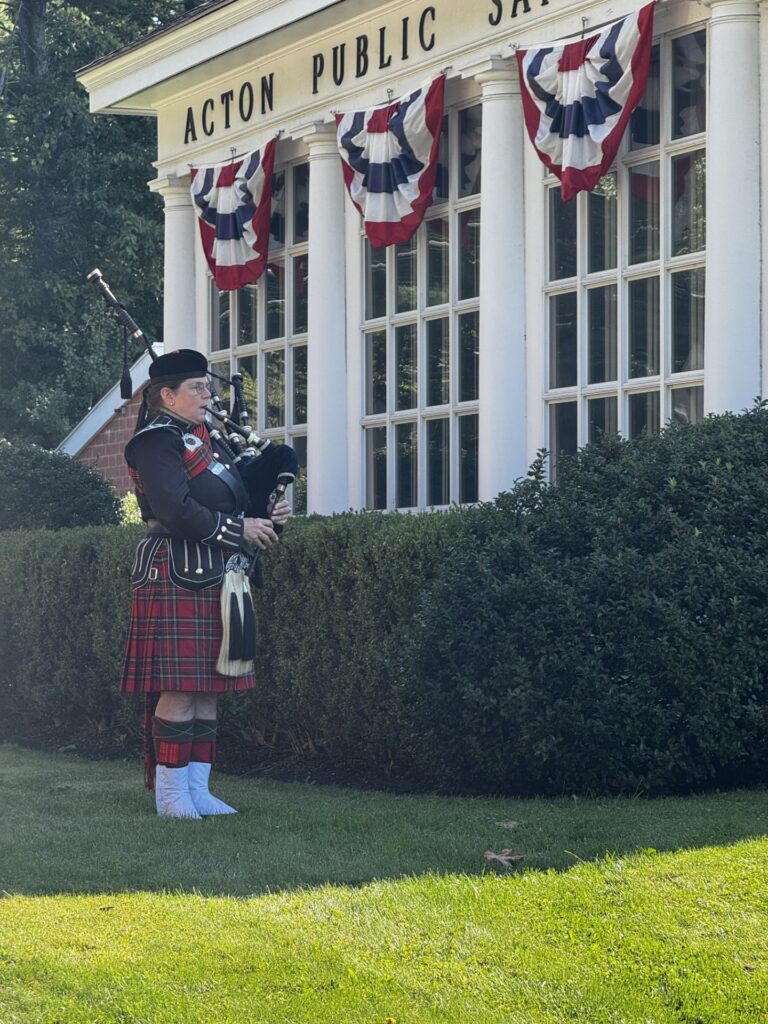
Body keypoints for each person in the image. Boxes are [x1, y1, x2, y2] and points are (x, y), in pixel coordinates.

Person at [120, 349, 290, 819]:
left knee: (209, 685)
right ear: (167, 396)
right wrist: (239, 529)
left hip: (218, 571)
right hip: (175, 568)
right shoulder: (156, 442)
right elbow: (174, 509)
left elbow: (232, 497)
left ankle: (198, 789)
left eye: (207, 386)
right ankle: (171, 795)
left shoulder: (208, 441)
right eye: (196, 387)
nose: (208, 394)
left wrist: (265, 515)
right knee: (179, 685)